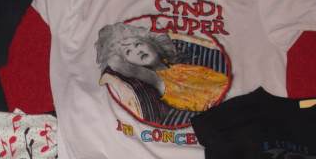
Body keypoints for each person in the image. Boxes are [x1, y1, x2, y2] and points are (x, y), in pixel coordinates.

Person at [95, 22, 229, 123]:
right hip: (219, 109)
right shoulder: (155, 79)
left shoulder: (180, 67)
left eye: (138, 44)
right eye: (128, 52)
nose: (138, 51)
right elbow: (117, 64)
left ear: (153, 45)